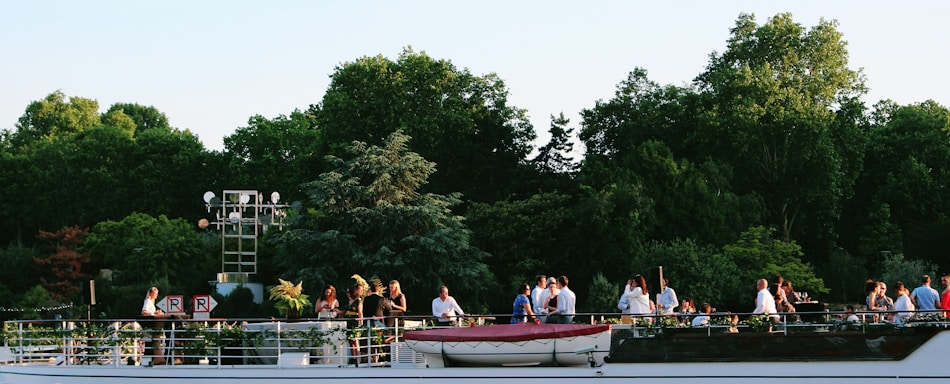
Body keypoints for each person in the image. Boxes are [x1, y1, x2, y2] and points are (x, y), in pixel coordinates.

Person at [342, 285, 364, 365]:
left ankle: (358, 359)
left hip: (354, 322)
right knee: (350, 341)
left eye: (349, 292)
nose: (347, 294)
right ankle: (353, 357)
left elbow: (360, 312)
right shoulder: (348, 301)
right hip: (348, 322)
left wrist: (361, 323)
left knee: (355, 340)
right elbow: (345, 311)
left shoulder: (358, 301)